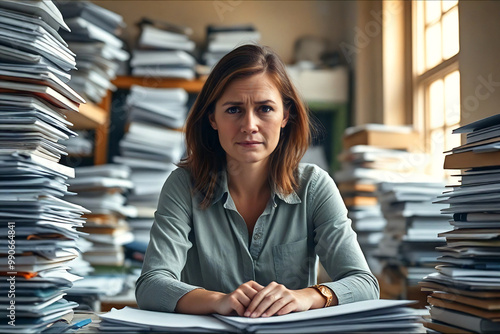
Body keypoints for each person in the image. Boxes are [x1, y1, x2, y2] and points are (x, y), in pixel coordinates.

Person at [135, 44, 379, 318]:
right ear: (212, 118)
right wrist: (218, 301)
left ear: (285, 116)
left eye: (264, 108)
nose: (249, 125)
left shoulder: (315, 185)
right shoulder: (183, 185)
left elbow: (365, 285)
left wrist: (306, 297)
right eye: (233, 110)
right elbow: (151, 285)